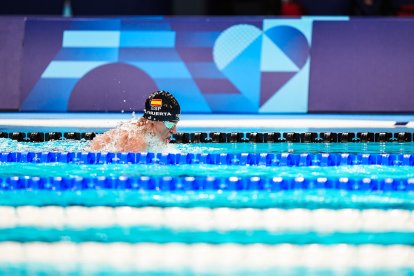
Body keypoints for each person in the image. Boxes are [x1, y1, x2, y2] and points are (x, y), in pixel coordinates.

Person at [88, 90, 180, 152]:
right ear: (152, 121)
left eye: (175, 124)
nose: (174, 130)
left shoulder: (142, 132)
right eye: (170, 123)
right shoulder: (137, 140)